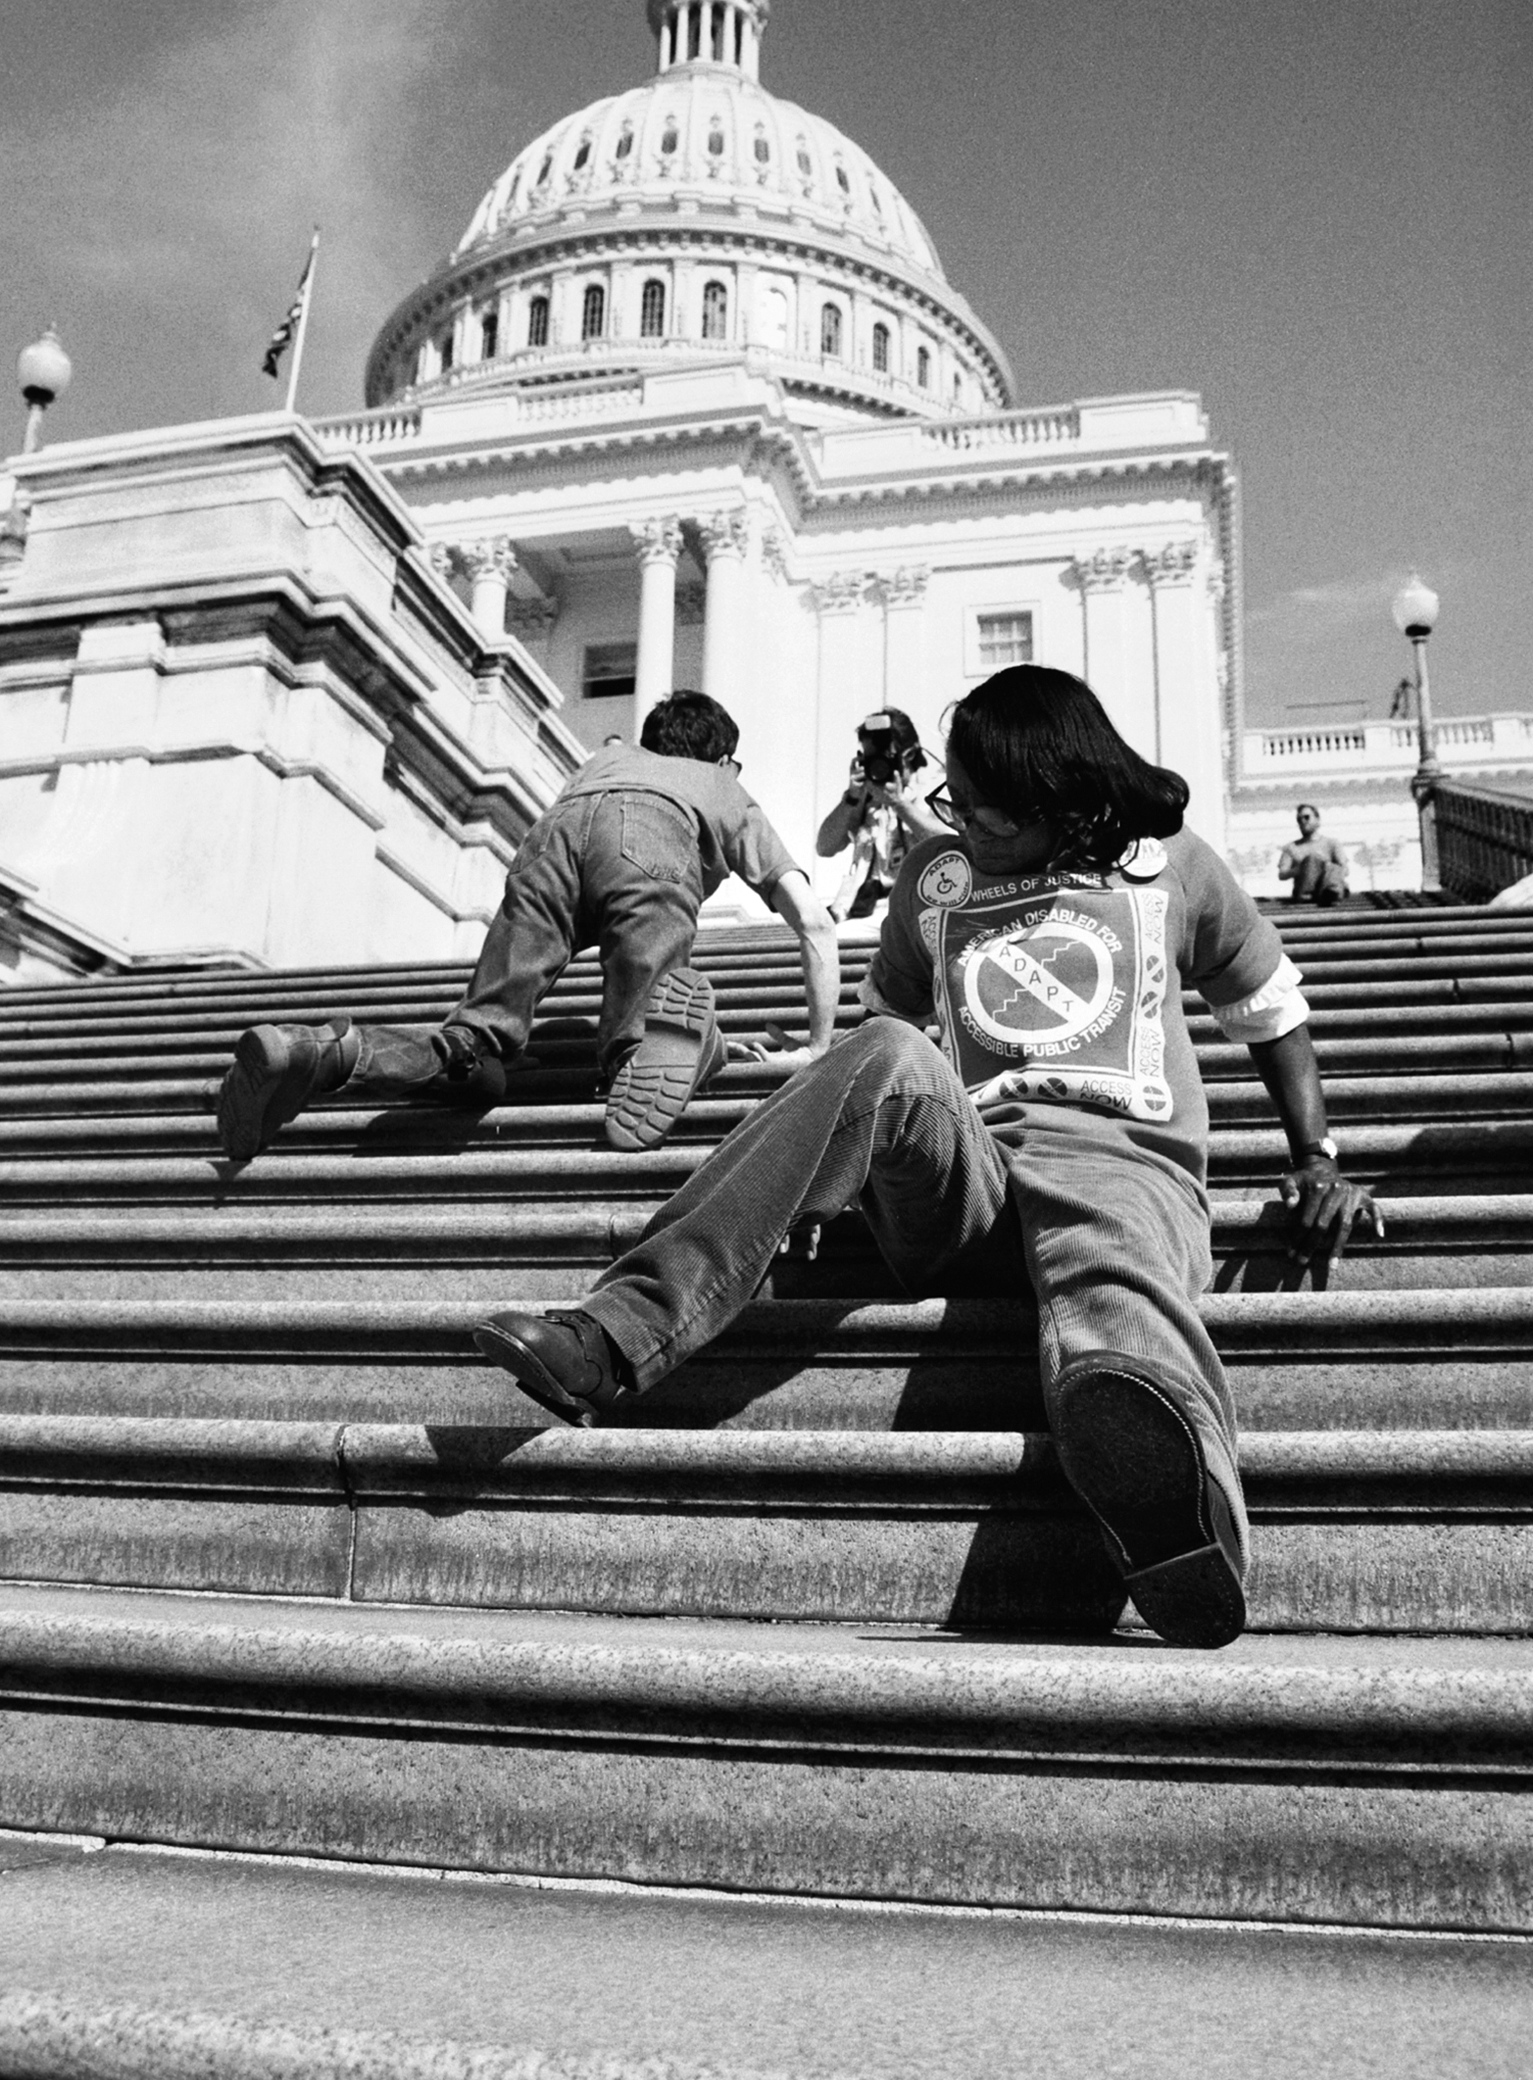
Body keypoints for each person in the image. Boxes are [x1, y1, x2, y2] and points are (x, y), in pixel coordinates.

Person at [475, 666, 1382, 1652]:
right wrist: (821, 1175)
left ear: (1069, 807)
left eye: (988, 814)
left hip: (1120, 1165)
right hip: (970, 1184)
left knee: (1115, 1292)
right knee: (885, 1049)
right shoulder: (934, 879)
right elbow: (886, 1039)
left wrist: (1318, 1156)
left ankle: (1177, 1522)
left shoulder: (1166, 869)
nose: (959, 824)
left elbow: (1272, 1008)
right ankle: (615, 1333)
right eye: (953, 797)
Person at [216, 689, 840, 1161]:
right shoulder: (718, 784)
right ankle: (665, 1046)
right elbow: (813, 922)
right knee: (641, 1034)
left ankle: (319, 1052)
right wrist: (817, 1045)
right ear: (728, 760)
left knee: (473, 1052)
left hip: (551, 841)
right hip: (652, 843)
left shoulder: (603, 762)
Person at [815, 707, 948, 922]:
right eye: (870, 758)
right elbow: (824, 847)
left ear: (910, 754)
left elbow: (950, 843)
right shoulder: (865, 798)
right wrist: (851, 798)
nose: (878, 766)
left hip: (917, 908)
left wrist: (900, 805)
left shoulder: (934, 790)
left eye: (885, 758)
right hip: (862, 909)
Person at [1279, 803, 1350, 905]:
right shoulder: (1291, 847)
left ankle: (1331, 891)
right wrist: (1302, 868)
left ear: (1317, 820)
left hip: (1328, 886)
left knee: (1332, 867)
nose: (1303, 821)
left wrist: (1325, 866)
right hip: (1305, 891)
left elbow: (1345, 870)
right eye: (1299, 819)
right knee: (1311, 860)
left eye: (1307, 817)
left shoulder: (1332, 843)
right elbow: (1282, 874)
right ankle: (1332, 890)